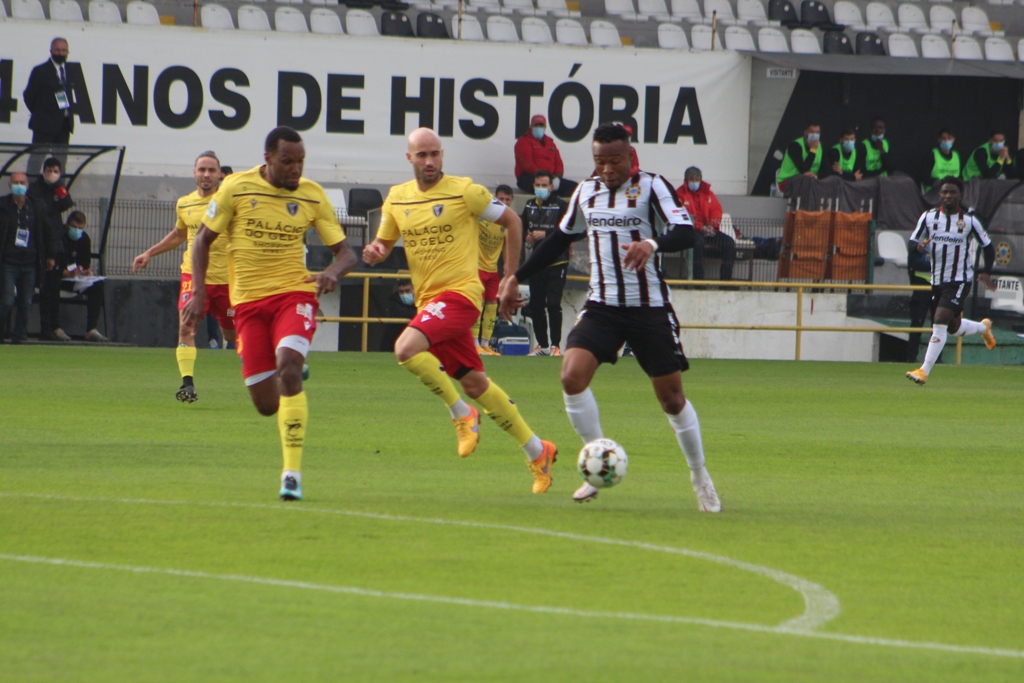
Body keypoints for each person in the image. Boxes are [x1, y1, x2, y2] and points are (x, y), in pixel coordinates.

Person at [499, 123, 721, 511]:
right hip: (602, 306)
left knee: (671, 399)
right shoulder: (586, 192)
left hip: (648, 306)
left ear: (631, 157)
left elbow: (688, 233)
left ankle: (700, 476)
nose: (606, 169)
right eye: (599, 161)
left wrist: (651, 243)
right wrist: (514, 277)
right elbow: (558, 239)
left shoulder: (653, 186)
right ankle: (597, 463)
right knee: (570, 376)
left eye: (614, 160)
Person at [363, 127, 558, 493]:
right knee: (475, 383)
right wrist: (375, 250)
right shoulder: (397, 199)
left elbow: (513, 222)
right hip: (429, 303)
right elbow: (384, 241)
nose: (430, 161)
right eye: (422, 155)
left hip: (461, 295)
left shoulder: (465, 191)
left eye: (435, 153)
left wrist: (510, 278)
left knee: (405, 348)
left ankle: (461, 414)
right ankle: (538, 451)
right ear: (410, 159)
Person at [183, 126, 357, 501]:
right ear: (268, 159)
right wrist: (198, 293)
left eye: (300, 162)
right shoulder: (236, 188)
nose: (296, 169)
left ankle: (291, 474)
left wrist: (331, 272)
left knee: (289, 369)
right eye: (287, 161)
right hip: (247, 304)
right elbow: (202, 240)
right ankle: (290, 369)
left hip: (293, 294)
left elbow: (347, 252)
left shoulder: (312, 196)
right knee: (266, 406)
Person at [132, 151, 235, 403]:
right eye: (202, 170)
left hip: (226, 279)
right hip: (193, 276)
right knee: (186, 326)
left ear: (220, 174)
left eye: (212, 170)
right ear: (194, 173)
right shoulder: (184, 203)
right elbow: (179, 234)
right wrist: (150, 253)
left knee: (232, 335)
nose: (207, 175)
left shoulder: (230, 202)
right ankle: (187, 384)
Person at [906, 177, 997, 385]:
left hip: (960, 280)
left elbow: (988, 247)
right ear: (939, 195)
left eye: (952, 192)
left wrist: (986, 271)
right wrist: (918, 247)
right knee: (952, 327)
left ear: (960, 196)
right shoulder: (928, 218)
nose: (948, 196)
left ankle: (923, 371)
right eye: (944, 192)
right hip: (937, 280)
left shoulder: (969, 221)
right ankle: (984, 328)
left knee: (939, 320)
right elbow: (912, 242)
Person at [1, 173, 54, 343]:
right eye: (15, 182)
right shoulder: (2, 206)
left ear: (27, 185)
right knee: (7, 301)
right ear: (9, 186)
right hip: (8, 262)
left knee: (26, 302)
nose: (19, 185)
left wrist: (51, 255)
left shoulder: (37, 206)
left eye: (22, 182)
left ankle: (19, 337)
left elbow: (48, 232)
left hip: (30, 262)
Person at [521, 170, 569, 356]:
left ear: (551, 187)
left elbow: (567, 231)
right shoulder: (529, 205)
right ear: (533, 186)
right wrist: (528, 238)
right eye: (537, 185)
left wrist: (546, 234)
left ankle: (556, 345)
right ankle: (542, 345)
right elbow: (523, 229)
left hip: (557, 261)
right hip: (536, 262)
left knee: (554, 303)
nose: (540, 189)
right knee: (536, 304)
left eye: (544, 185)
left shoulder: (560, 205)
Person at [28, 157, 75, 341]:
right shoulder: (35, 188)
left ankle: (51, 328)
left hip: (54, 243)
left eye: (56, 171)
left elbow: (66, 204)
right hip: (37, 242)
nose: (52, 174)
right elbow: (39, 209)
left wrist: (58, 185)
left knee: (52, 290)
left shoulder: (58, 188)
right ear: (43, 170)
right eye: (49, 170)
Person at [22, 38, 76, 174]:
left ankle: (59, 191)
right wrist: (41, 114)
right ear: (51, 51)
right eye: (58, 50)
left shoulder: (69, 70)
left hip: (64, 125)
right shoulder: (41, 71)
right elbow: (29, 96)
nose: (61, 53)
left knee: (60, 163)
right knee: (37, 160)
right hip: (44, 126)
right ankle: (31, 191)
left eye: (64, 50)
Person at [473, 184, 513, 356]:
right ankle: (474, 343)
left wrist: (506, 262)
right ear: (493, 198)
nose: (503, 202)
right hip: (477, 267)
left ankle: (486, 344)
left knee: (491, 306)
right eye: (500, 199)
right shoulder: (483, 216)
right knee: (478, 306)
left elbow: (506, 242)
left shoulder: (507, 222)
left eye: (507, 199)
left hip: (492, 269)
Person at [55, 210, 107, 341]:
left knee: (97, 285)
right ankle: (54, 327)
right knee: (52, 283)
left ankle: (91, 329)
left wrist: (85, 272)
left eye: (80, 228)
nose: (77, 231)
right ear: (67, 225)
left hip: (75, 279)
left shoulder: (84, 239)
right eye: (74, 227)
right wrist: (67, 273)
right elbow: (53, 265)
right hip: (59, 277)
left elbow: (84, 263)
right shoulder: (58, 237)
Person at [677, 166, 734, 282]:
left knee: (729, 242)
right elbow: (684, 216)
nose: (694, 182)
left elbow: (716, 210)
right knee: (699, 242)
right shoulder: (680, 194)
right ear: (686, 180)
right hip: (690, 232)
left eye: (697, 180)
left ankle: (726, 281)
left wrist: (712, 226)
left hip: (709, 230)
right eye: (691, 180)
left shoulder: (708, 193)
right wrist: (700, 227)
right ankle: (699, 281)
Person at [514, 114, 574, 197]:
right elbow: (526, 163)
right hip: (529, 177)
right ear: (531, 126)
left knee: (574, 188)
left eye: (541, 125)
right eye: (536, 125)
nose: (539, 127)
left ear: (545, 127)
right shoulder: (523, 141)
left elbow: (558, 163)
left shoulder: (550, 142)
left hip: (550, 178)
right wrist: (543, 177)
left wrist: (557, 178)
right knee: (543, 188)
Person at [906, 235, 931, 364]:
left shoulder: (946, 240)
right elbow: (913, 263)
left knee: (938, 325)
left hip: (939, 287)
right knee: (917, 322)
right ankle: (911, 358)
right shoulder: (919, 242)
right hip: (921, 287)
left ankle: (936, 358)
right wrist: (935, 266)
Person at [777, 123, 822, 190]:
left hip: (812, 180)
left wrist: (815, 176)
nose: (815, 135)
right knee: (807, 180)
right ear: (805, 132)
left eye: (817, 133)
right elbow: (803, 170)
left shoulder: (821, 147)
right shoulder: (795, 146)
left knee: (833, 181)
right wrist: (813, 150)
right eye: (812, 132)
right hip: (788, 180)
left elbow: (825, 168)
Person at [381, 280, 418, 352]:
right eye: (401, 292)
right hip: (393, 342)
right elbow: (399, 313)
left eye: (407, 291)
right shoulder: (394, 299)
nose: (404, 294)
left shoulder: (423, 299)